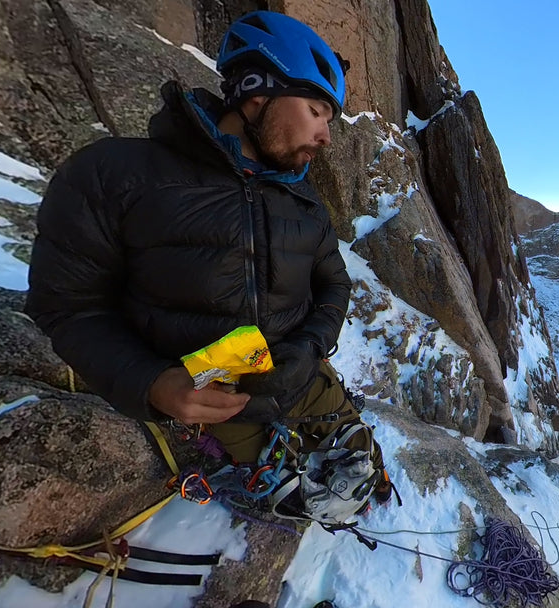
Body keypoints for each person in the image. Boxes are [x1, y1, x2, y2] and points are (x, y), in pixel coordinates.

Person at [25, 11, 386, 481]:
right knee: (295, 503)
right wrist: (152, 383)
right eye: (316, 111)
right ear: (259, 95)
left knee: (367, 472)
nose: (326, 136)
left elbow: (333, 283)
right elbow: (66, 306)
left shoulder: (302, 198)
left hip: (306, 382)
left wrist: (310, 347)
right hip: (209, 408)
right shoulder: (115, 175)